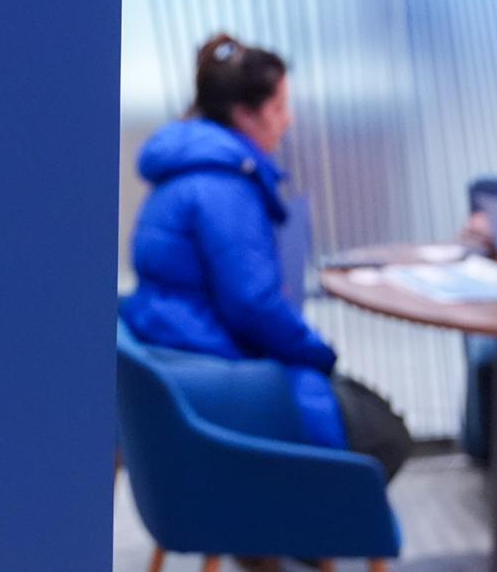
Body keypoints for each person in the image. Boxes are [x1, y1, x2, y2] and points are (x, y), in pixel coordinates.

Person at [122, 33, 413, 483]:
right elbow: (252, 305)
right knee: (384, 433)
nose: (288, 119)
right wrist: (320, 353)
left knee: (356, 405)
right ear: (244, 114)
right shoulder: (225, 188)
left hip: (178, 357)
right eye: (278, 107)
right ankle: (297, 519)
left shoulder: (183, 170)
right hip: (217, 370)